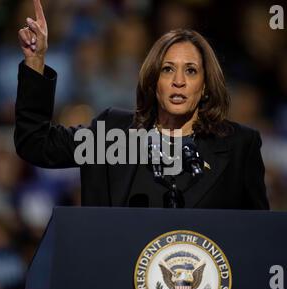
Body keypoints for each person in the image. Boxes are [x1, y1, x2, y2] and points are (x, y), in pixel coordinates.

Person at [15, 0, 269, 210]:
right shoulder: (111, 135)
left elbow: (254, 238)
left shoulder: (239, 147)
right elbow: (36, 142)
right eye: (168, 70)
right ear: (153, 81)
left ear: (205, 86)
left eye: (191, 71)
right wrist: (36, 61)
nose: (178, 81)